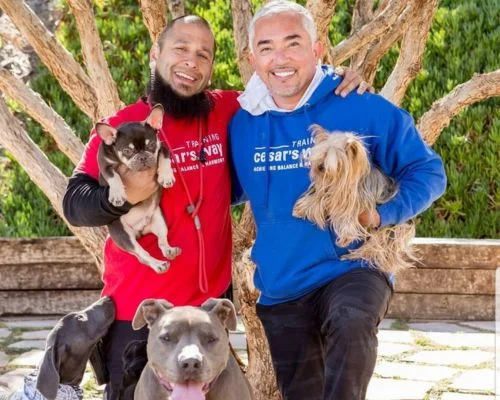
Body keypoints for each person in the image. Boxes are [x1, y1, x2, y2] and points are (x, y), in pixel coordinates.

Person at [63, 14, 368, 398]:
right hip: (140, 320)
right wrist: (129, 194)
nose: (191, 62)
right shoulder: (123, 127)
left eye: (203, 54)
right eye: (181, 49)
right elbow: (75, 204)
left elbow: (289, 92)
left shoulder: (230, 111)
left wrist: (333, 79)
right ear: (156, 53)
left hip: (207, 324)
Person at [229, 1, 447, 399]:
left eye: (293, 43)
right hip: (282, 283)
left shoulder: (361, 106)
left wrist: (381, 215)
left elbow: (429, 173)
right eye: (266, 47)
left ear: (317, 49)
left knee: (351, 322)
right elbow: (216, 188)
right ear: (252, 58)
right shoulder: (242, 123)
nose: (280, 58)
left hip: (352, 267)